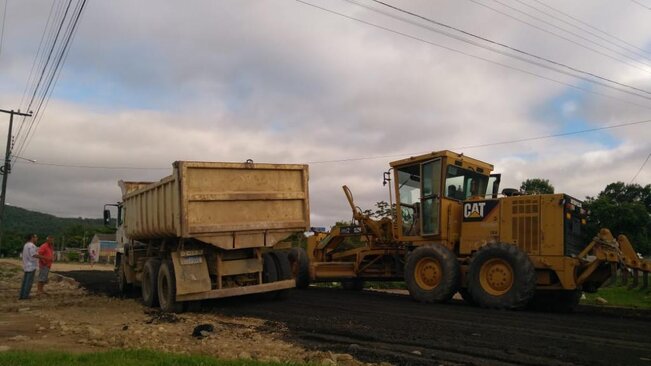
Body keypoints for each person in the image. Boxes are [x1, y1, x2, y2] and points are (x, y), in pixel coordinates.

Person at [19, 234, 40, 300]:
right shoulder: (32, 246)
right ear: (32, 238)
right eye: (36, 237)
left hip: (26, 265)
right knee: (29, 282)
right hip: (31, 266)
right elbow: (34, 255)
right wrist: (44, 257)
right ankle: (25, 296)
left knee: (25, 281)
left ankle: (22, 295)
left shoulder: (26, 245)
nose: (37, 238)